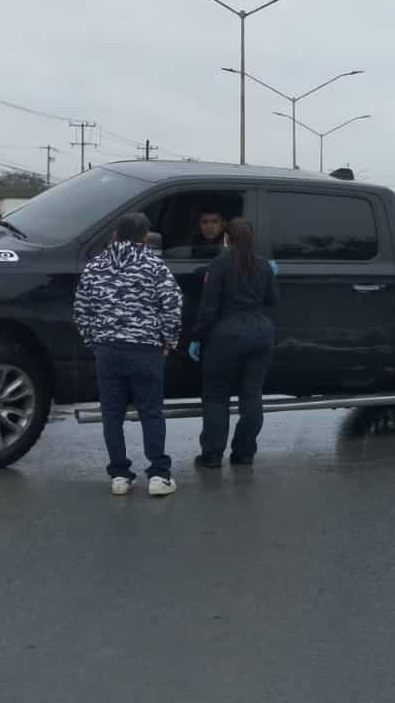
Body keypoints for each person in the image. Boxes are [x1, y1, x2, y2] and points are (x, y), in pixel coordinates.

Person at [73, 212, 184, 497]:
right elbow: (172, 305)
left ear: (115, 234)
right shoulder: (154, 265)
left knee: (112, 415)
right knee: (151, 412)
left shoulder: (95, 266)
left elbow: (81, 308)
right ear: (145, 237)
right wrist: (168, 341)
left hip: (107, 350)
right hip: (146, 350)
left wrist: (93, 340)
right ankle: (159, 475)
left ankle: (120, 475)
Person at [190, 217, 279, 468]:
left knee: (216, 397)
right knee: (252, 395)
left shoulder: (219, 264)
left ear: (226, 238)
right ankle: (244, 453)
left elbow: (208, 307)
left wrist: (197, 337)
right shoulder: (263, 265)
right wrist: (271, 275)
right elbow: (272, 300)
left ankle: (212, 455)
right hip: (260, 334)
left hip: (226, 336)